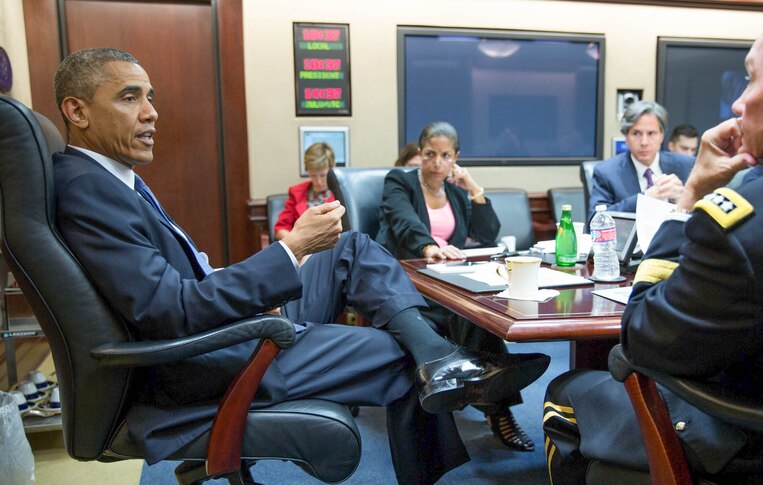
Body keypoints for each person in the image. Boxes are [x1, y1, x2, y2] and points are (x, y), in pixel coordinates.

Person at [51, 48, 550, 485]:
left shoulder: (112, 181)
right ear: (77, 110)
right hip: (211, 353)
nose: (151, 113)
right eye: (130, 98)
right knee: (400, 353)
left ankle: (440, 357)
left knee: (348, 246)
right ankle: (441, 365)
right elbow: (170, 311)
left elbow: (179, 288)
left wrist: (289, 254)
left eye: (150, 97)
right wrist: (291, 249)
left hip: (223, 322)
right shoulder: (89, 189)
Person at [543, 1, 763, 483]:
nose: (738, 103)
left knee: (567, 390)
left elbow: (643, 336)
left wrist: (690, 196)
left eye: (751, 78)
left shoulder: (757, 222)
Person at [377, 121, 536, 452]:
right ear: (420, 154)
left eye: (445, 156)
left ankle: (480, 384)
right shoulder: (399, 181)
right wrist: (427, 246)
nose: (437, 163)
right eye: (430, 154)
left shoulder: (454, 191)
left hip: (446, 275)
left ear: (456, 158)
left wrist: (473, 188)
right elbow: (404, 223)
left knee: (476, 305)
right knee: (466, 309)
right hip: (406, 275)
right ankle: (494, 395)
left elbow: (488, 234)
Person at [588, 101, 694, 221]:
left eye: (651, 133)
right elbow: (594, 220)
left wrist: (682, 202)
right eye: (636, 133)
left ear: (662, 136)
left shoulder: (687, 165)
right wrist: (645, 199)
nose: (644, 142)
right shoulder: (607, 172)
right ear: (626, 137)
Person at [273, 142, 336, 239]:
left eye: (323, 175)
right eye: (313, 175)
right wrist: (295, 243)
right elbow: (281, 228)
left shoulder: (342, 193)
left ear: (333, 168)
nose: (318, 181)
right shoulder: (296, 192)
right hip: (301, 249)